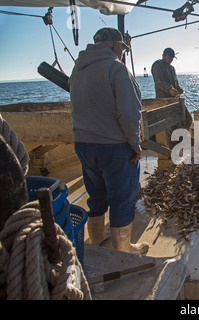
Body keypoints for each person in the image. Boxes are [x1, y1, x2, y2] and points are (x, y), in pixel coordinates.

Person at [69, 27, 149, 255]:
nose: (122, 52)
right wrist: (135, 143)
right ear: (116, 46)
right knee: (123, 197)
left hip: (83, 145)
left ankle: (95, 237)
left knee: (96, 194)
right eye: (122, 48)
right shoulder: (116, 68)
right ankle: (123, 249)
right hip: (113, 147)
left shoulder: (77, 69)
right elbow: (129, 112)